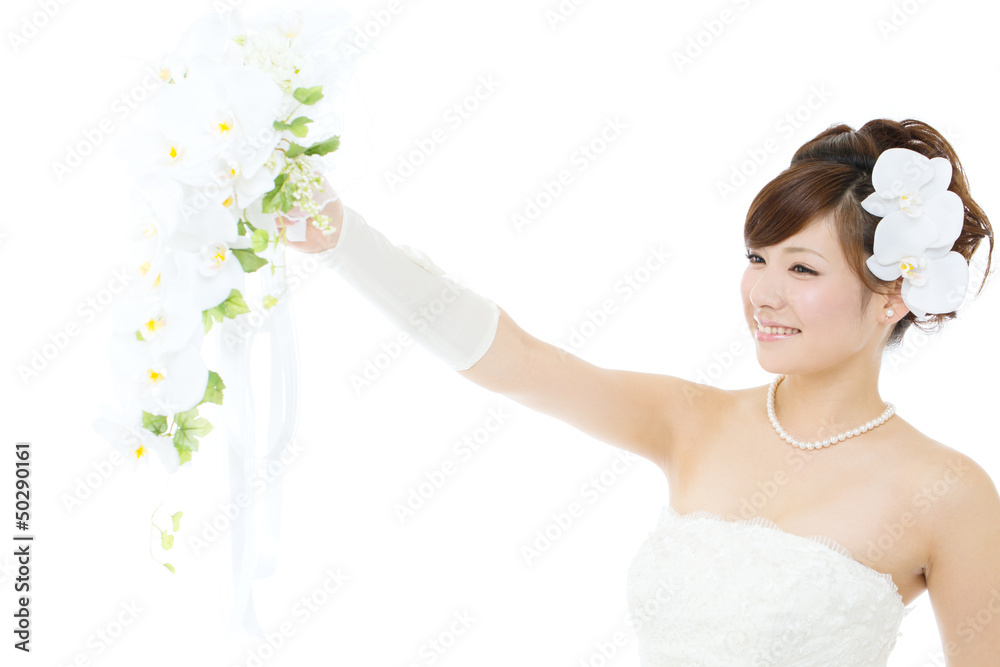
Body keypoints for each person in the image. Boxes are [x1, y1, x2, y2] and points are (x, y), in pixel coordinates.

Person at [276, 118, 999, 665]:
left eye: (803, 270)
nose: (763, 294)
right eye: (756, 259)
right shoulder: (693, 421)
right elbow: (517, 361)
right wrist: (343, 240)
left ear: (894, 294)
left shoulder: (947, 490)